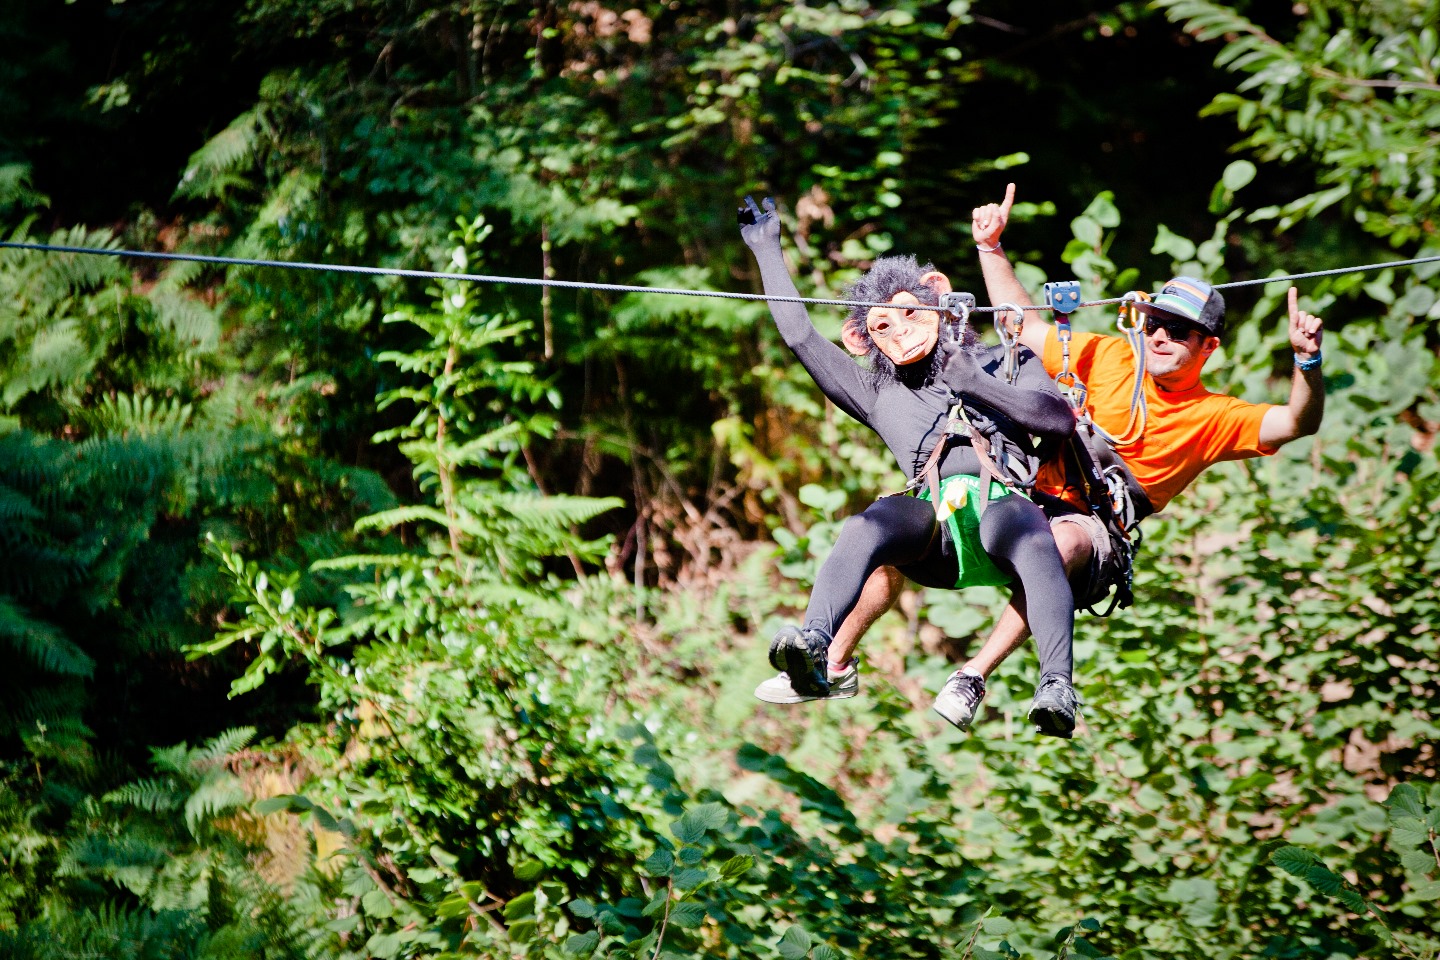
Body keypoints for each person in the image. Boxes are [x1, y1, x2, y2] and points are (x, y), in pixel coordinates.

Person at [836, 182, 1327, 732]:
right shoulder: (1109, 356)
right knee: (895, 527)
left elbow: (1296, 423)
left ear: (1207, 346)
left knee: (1058, 542)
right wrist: (991, 248)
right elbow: (1023, 324)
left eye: (1181, 332)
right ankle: (832, 660)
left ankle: (974, 676)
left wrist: (1307, 363)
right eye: (1156, 324)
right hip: (1022, 498)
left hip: (1090, 527)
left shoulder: (1214, 416)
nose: (1162, 338)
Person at [738, 195, 1084, 737]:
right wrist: (767, 251)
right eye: (881, 327)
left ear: (938, 297)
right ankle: (815, 642)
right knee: (869, 523)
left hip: (1003, 514)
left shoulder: (1002, 358)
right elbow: (800, 336)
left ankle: (1056, 685)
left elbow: (1057, 421)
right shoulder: (876, 391)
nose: (899, 331)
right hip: (932, 534)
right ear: (861, 340)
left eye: (908, 313)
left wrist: (978, 383)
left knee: (1031, 534)